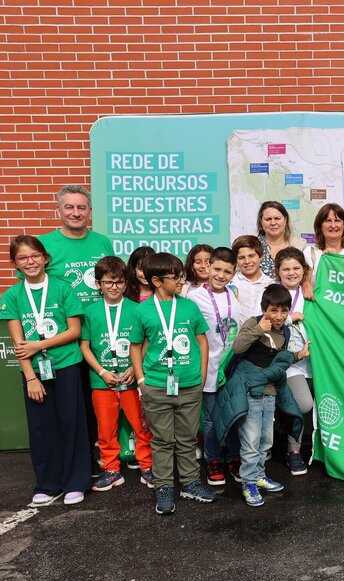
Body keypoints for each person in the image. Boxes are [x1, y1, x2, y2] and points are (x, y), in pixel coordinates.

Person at [0, 235, 89, 506]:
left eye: (35, 255)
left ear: (45, 258)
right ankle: (48, 484)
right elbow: (19, 344)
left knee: (71, 423)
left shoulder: (62, 289)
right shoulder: (13, 295)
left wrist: (40, 344)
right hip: (35, 372)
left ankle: (76, 482)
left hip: (66, 365)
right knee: (41, 428)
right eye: (23, 258)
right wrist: (30, 378)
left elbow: (74, 331)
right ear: (14, 263)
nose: (30, 262)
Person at [129, 252, 215, 515]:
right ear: (156, 280)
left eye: (180, 275)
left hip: (189, 384)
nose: (181, 280)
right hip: (156, 384)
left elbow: (202, 340)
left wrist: (200, 375)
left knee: (188, 438)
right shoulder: (142, 310)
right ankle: (164, 485)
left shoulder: (188, 306)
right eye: (175, 277)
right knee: (163, 439)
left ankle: (189, 482)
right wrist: (141, 380)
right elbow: (135, 346)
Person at [38, 185, 115, 473]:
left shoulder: (103, 242)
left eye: (81, 207)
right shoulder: (44, 245)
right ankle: (77, 458)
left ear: (89, 212)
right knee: (73, 403)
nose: (75, 212)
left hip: (100, 334)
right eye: (69, 207)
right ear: (58, 211)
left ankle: (102, 454)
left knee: (99, 398)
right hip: (64, 338)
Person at [213, 284, 309, 506]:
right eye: (273, 310)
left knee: (266, 439)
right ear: (264, 308)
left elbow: (278, 359)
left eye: (284, 311)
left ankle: (259, 475)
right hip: (250, 392)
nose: (279, 316)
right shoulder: (254, 323)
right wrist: (259, 329)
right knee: (251, 439)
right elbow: (237, 347)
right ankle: (248, 482)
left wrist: (298, 355)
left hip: (270, 392)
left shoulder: (284, 330)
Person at [80, 256, 155, 492]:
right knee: (106, 428)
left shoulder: (137, 309)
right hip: (102, 381)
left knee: (141, 425)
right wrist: (102, 371)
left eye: (119, 282)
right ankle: (111, 469)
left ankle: (147, 466)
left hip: (131, 380)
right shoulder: (90, 312)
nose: (114, 287)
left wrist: (135, 368)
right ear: (98, 283)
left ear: (126, 283)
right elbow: (84, 346)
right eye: (108, 282)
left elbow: (144, 343)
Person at [186, 247, 242, 486]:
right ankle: (213, 460)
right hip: (208, 367)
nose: (221, 275)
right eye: (217, 269)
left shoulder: (234, 293)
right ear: (208, 267)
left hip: (230, 365)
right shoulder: (194, 296)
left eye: (227, 271)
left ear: (233, 273)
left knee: (234, 414)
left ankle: (233, 457)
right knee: (209, 418)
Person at [275, 247, 315, 474]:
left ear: (304, 270)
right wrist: (289, 318)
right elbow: (265, 321)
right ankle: (293, 450)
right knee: (303, 404)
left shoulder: (311, 292)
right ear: (278, 272)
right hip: (291, 363)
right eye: (286, 269)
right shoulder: (273, 293)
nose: (291, 273)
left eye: (296, 268)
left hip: (316, 361)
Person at [303, 203, 344, 278]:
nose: (333, 225)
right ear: (320, 226)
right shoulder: (310, 252)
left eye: (337, 220)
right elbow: (306, 285)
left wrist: (336, 259)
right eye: (328, 221)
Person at [256, 200, 306, 279]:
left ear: (285, 220)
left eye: (277, 218)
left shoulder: (299, 246)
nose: (273, 223)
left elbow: (307, 271)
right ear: (261, 222)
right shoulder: (252, 246)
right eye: (268, 219)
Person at [231, 235, 274, 325]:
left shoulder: (271, 285)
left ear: (261, 256)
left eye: (251, 256)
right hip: (237, 337)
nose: (247, 261)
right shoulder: (230, 283)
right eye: (241, 258)